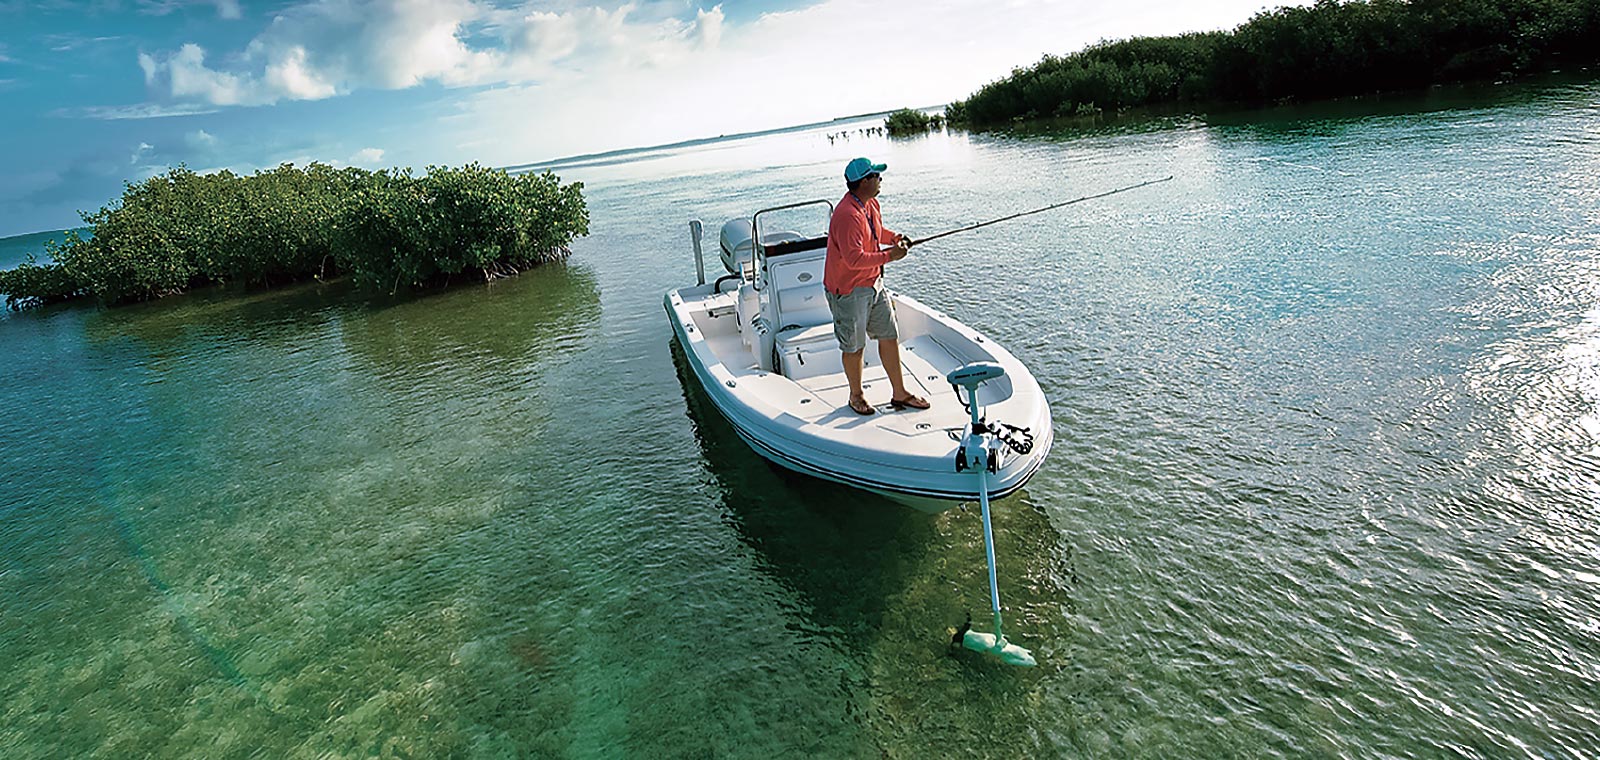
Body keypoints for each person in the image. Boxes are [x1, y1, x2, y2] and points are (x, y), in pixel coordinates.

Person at [823, 157, 932, 416]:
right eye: (876, 176)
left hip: (874, 284)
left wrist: (894, 238)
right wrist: (890, 256)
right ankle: (856, 395)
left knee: (889, 335)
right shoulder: (847, 215)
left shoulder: (870, 204)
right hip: (848, 291)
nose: (880, 180)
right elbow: (854, 259)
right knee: (854, 346)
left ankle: (900, 392)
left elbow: (876, 231)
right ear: (864, 181)